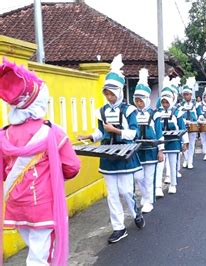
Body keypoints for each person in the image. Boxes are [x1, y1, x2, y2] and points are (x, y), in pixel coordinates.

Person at [0, 59, 81, 265]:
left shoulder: (4, 135)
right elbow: (73, 167)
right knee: (40, 257)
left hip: (15, 204)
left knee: (34, 250)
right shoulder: (52, 132)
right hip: (43, 205)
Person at [77, 55, 145, 243]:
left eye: (112, 93)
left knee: (125, 190)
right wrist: (89, 136)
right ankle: (119, 227)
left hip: (125, 155)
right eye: (106, 93)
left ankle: (135, 212)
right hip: (107, 155)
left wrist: (116, 130)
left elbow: (134, 133)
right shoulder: (102, 111)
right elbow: (100, 132)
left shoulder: (130, 110)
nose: (109, 97)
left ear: (120, 92)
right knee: (112, 194)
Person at [133, 68, 165, 212]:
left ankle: (149, 201)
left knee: (149, 177)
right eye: (137, 100)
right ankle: (145, 196)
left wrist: (160, 151)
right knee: (138, 176)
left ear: (146, 100)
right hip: (137, 151)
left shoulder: (155, 114)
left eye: (141, 100)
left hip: (151, 150)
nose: (139, 103)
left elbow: (159, 134)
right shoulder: (131, 114)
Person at [155, 78, 189, 194]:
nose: (164, 104)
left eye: (166, 102)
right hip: (161, 143)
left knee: (173, 164)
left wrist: (185, 142)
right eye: (163, 102)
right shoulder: (157, 113)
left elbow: (182, 128)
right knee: (159, 165)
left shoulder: (177, 113)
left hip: (174, 142)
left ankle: (173, 184)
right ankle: (158, 187)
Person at [179, 77, 201, 169]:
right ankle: (186, 159)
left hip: (193, 126)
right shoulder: (180, 105)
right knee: (184, 143)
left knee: (191, 144)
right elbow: (178, 116)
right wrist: (184, 121)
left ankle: (190, 161)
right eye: (184, 94)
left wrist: (200, 119)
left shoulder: (196, 104)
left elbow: (200, 115)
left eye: (187, 94)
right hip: (184, 127)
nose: (186, 96)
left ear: (191, 95)